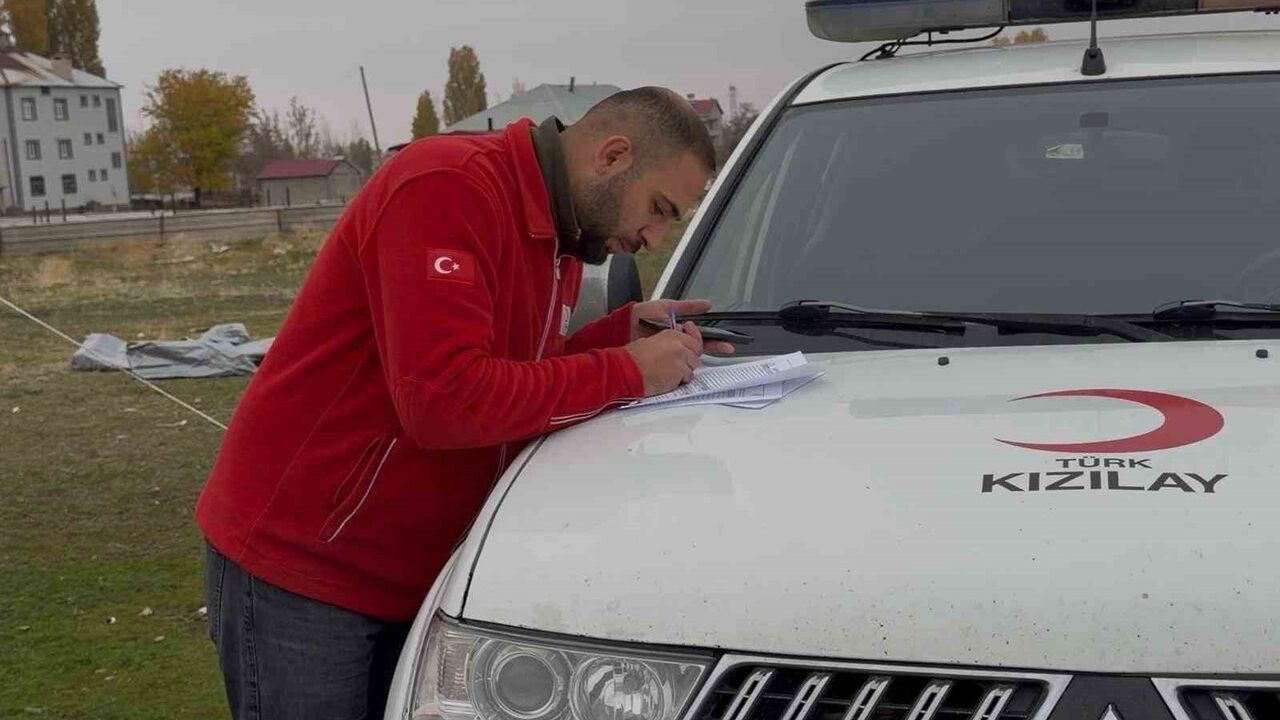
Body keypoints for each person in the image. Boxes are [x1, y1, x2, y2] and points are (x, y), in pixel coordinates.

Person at [193, 86, 729, 719]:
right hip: (306, 565)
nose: (653, 237)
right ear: (611, 157)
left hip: (413, 568)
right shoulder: (447, 187)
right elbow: (443, 398)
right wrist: (625, 372)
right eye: (659, 209)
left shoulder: (559, 233)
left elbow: (510, 375)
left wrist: (616, 335)